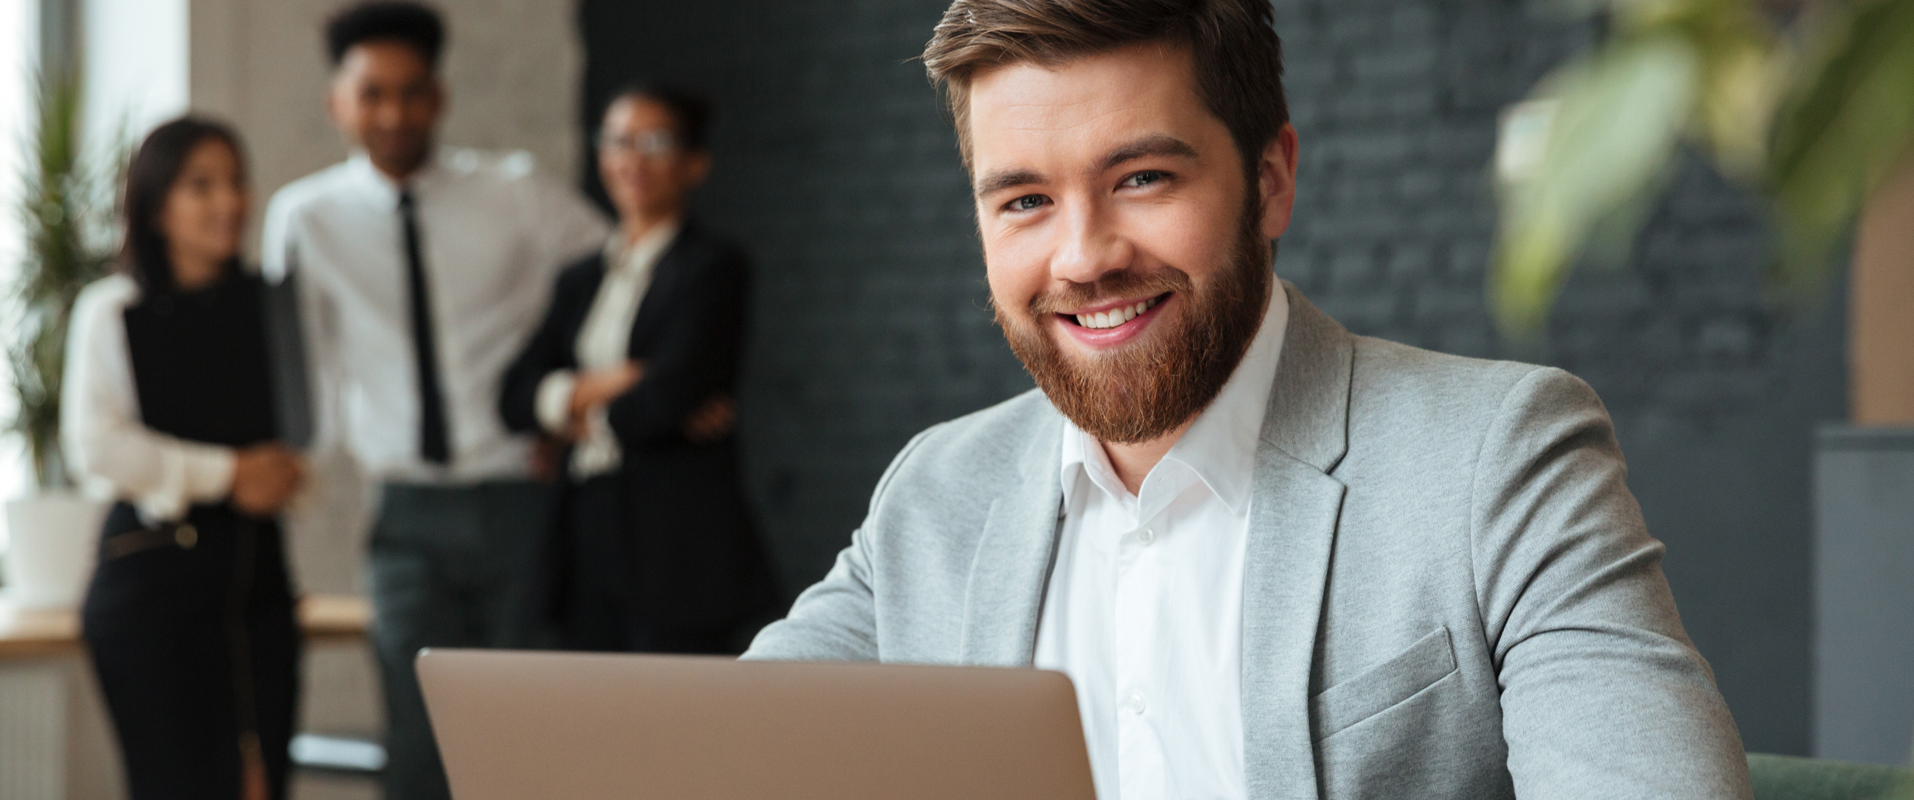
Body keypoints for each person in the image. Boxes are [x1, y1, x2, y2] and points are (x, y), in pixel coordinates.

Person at [743, 1, 1754, 798]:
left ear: (1269, 180)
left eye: (1141, 177)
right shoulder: (933, 495)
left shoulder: (1499, 459)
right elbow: (717, 745)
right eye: (1024, 200)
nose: (1084, 255)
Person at [259, 3, 609, 798]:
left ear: (440, 97)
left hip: (519, 501)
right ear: (337, 103)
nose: (393, 113)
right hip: (402, 515)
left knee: (528, 742)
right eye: (372, 93)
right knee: (417, 754)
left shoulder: (514, 193)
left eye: (412, 92)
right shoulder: (303, 219)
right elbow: (298, 376)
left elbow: (620, 274)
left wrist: (567, 399)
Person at [65, 117, 302, 800]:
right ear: (156, 202)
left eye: (235, 182)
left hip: (256, 579)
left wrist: (285, 474)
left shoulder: (267, 306)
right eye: (201, 186)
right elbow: (97, 446)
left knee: (261, 784)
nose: (227, 201)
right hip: (153, 588)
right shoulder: (113, 309)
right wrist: (228, 475)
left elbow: (301, 429)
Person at [500, 84, 778, 654]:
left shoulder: (713, 269)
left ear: (695, 163)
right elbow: (509, 397)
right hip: (585, 535)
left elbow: (664, 400)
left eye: (655, 142)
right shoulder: (578, 279)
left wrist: (570, 418)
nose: (632, 159)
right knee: (588, 723)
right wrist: (608, 386)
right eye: (618, 141)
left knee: (679, 728)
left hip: (678, 545)